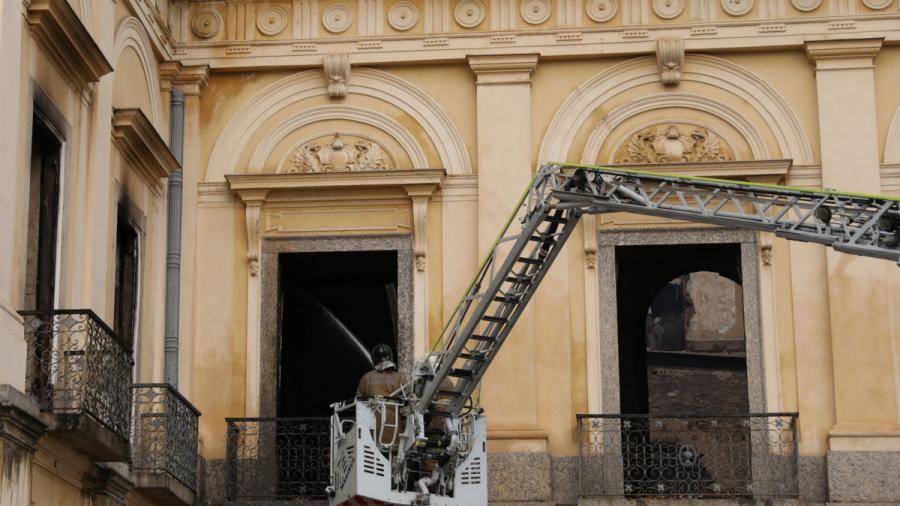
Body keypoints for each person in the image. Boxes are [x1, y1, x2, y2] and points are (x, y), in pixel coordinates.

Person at [357, 343, 405, 447]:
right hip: (394, 432)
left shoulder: (366, 378)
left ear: (374, 359)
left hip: (372, 432)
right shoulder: (400, 378)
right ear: (391, 357)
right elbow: (409, 403)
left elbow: (358, 404)